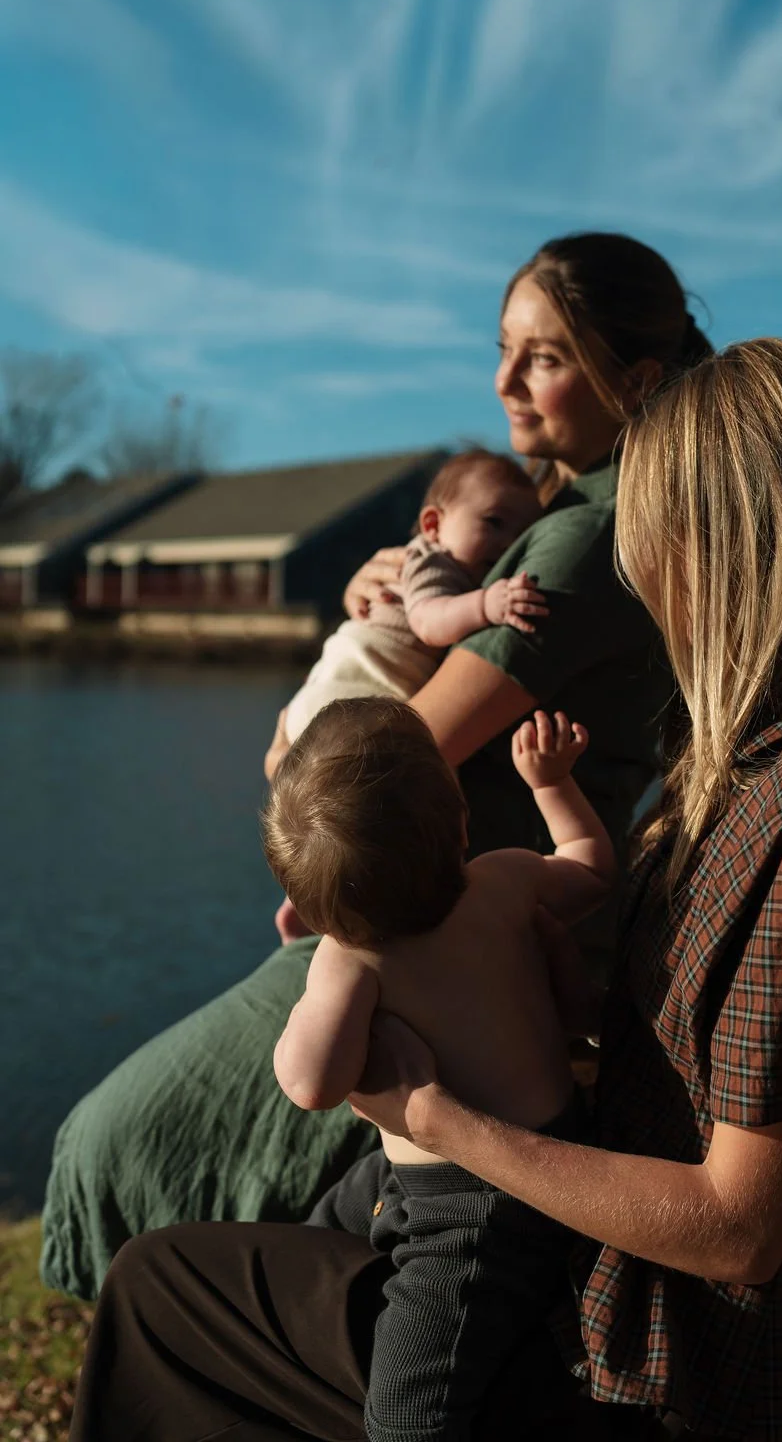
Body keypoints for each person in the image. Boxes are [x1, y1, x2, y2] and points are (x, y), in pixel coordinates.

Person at [68, 338, 782, 1440]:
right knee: (226, 1266)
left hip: (689, 1373)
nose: (634, 571)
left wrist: (436, 1114)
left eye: (647, 534)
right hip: (654, 1305)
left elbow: (738, 1233)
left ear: (720, 540)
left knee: (166, 1297)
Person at [43, 231, 712, 1302]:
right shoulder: (566, 517)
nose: (502, 381)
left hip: (451, 933)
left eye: (542, 356)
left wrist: (299, 726)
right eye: (502, 348)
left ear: (635, 375)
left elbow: (394, 751)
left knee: (116, 1143)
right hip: (431, 911)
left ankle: (199, 1350)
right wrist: (397, 597)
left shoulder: (589, 537)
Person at [261, 696, 610, 1442]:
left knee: (407, 1417)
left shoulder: (349, 960)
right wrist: (552, 786)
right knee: (335, 1219)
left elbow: (310, 1083)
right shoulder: (507, 879)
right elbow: (590, 872)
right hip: (532, 1148)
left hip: (475, 1215)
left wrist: (315, 982)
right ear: (458, 822)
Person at [270, 446, 545, 943]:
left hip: (321, 703)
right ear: (434, 524)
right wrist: (488, 603)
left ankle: (300, 908)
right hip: (350, 695)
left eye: (519, 535)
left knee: (331, 839)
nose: (505, 544)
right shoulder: (433, 565)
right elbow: (428, 621)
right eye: (494, 522)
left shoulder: (434, 562)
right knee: (431, 780)